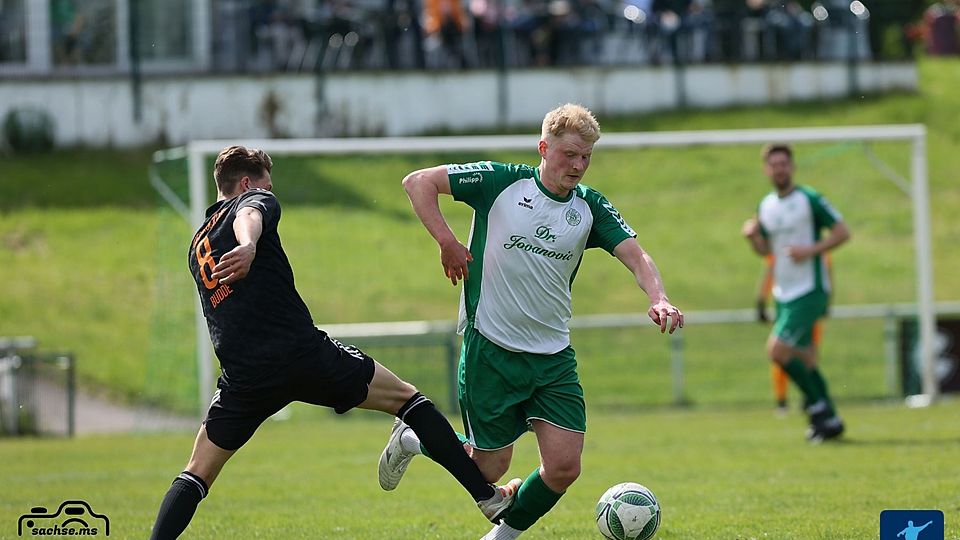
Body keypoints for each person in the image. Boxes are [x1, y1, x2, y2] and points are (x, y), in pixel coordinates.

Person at [149, 146, 520, 539]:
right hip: (301, 355)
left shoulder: (197, 246)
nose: (270, 193)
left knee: (195, 474)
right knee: (409, 401)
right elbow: (250, 215)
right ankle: (486, 497)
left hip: (244, 379)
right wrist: (249, 246)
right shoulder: (254, 202)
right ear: (246, 183)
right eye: (266, 185)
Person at [379, 103, 684, 540]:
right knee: (489, 468)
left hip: (552, 358)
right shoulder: (500, 182)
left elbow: (636, 255)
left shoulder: (589, 208)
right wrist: (446, 241)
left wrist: (659, 298)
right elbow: (418, 183)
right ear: (544, 147)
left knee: (563, 467)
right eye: (569, 155)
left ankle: (501, 538)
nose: (578, 166)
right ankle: (411, 439)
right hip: (492, 349)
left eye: (586, 157)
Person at [742, 143, 850, 442]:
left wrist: (810, 250)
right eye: (774, 164)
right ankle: (828, 418)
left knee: (777, 350)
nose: (780, 169)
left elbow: (843, 232)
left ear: (793, 167)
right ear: (767, 169)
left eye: (784, 163)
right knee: (804, 358)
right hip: (784, 293)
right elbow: (766, 251)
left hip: (810, 289)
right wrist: (753, 239)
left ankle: (817, 406)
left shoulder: (809, 199)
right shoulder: (766, 206)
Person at [755, 253, 828, 416]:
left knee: (797, 353)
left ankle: (816, 402)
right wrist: (761, 299)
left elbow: (826, 272)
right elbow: (770, 266)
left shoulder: (814, 246)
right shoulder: (782, 245)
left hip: (805, 303)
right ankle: (806, 402)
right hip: (787, 305)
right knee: (789, 353)